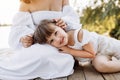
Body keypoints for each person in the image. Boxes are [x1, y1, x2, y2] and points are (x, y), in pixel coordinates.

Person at [4, 0, 81, 79]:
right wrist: (25, 37)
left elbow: (72, 18)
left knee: (65, 58)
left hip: (59, 42)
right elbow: (18, 28)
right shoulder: (27, 2)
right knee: (42, 56)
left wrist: (65, 22)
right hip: (38, 43)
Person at [33, 19, 120, 73]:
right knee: (101, 66)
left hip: (106, 45)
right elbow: (92, 56)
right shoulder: (63, 47)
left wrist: (69, 51)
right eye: (52, 41)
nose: (58, 39)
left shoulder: (78, 34)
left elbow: (91, 53)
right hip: (99, 55)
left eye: (56, 33)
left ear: (61, 27)